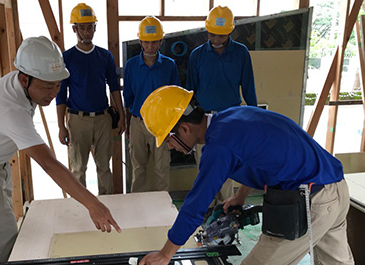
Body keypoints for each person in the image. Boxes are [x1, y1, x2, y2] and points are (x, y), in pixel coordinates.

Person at [138, 85, 354, 265]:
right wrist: (241, 196)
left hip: (311, 201)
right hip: (336, 188)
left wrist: (165, 254)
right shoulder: (231, 117)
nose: (169, 146)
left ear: (184, 129)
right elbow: (261, 158)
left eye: (168, 139)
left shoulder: (218, 146)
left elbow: (195, 207)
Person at [0, 36, 121, 263]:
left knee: (8, 223)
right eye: (48, 86)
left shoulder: (21, 83)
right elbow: (49, 164)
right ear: (24, 79)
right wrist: (93, 204)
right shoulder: (10, 110)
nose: (53, 92)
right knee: (5, 240)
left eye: (58, 85)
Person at [187, 6, 258, 202]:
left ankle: (225, 208)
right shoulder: (197, 55)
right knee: (205, 167)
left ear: (230, 32)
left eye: (221, 36)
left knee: (227, 167)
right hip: (203, 121)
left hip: (231, 120)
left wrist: (254, 119)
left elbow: (249, 88)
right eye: (212, 35)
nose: (216, 40)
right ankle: (205, 208)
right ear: (206, 31)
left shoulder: (241, 53)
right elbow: (190, 92)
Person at [56, 3, 125, 195]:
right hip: (78, 120)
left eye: (90, 27)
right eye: (82, 27)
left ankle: (107, 205)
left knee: (104, 167)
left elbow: (114, 87)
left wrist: (121, 116)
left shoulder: (105, 56)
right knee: (78, 169)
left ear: (95, 28)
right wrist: (62, 126)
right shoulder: (67, 58)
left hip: (103, 118)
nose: (86, 32)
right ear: (74, 29)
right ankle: (80, 210)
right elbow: (61, 93)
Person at [123, 16, 180, 192]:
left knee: (162, 168)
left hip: (162, 125)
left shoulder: (169, 65)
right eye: (146, 43)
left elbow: (175, 98)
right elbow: (128, 97)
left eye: (154, 42)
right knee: (138, 169)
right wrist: (128, 126)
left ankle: (163, 209)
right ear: (140, 41)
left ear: (161, 41)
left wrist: (172, 127)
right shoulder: (131, 66)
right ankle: (137, 207)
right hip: (138, 123)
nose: (150, 47)